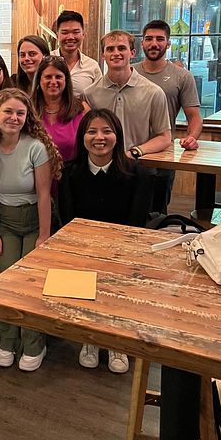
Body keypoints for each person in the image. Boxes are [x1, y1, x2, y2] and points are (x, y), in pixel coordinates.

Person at [0, 88, 62, 372]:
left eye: (20, 113)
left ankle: (34, 343)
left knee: (32, 281)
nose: (14, 117)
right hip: (5, 220)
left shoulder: (36, 147)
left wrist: (44, 236)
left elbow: (43, 194)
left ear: (27, 117)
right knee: (5, 276)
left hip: (35, 218)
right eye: (8, 111)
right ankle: (8, 339)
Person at [59, 108, 154, 374]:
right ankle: (90, 339)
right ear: (82, 137)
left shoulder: (138, 174)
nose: (99, 137)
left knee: (118, 292)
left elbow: (137, 222)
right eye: (91, 131)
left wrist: (118, 251)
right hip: (83, 248)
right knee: (85, 291)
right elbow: (67, 217)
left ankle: (116, 342)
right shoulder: (70, 173)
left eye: (106, 131)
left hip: (123, 249)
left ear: (118, 136)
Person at [134, 19, 202, 213]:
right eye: (149, 39)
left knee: (157, 211)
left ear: (168, 43)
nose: (154, 43)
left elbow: (194, 117)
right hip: (130, 151)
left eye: (160, 39)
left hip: (163, 154)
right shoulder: (129, 72)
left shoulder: (182, 76)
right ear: (142, 43)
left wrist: (192, 137)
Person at [83, 30, 171, 159]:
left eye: (122, 48)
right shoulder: (89, 94)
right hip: (102, 164)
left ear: (132, 53)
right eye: (110, 49)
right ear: (103, 55)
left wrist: (135, 152)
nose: (116, 53)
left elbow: (164, 137)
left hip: (138, 164)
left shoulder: (153, 93)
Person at [32, 54, 90, 165]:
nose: (53, 82)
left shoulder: (82, 109)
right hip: (34, 174)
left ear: (66, 80)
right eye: (48, 77)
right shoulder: (27, 109)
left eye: (58, 77)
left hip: (71, 174)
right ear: (39, 80)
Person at [50, 10, 103, 96]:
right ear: (57, 35)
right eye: (65, 32)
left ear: (83, 34)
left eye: (76, 32)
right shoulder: (46, 61)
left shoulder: (92, 66)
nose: (70, 37)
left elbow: (99, 97)